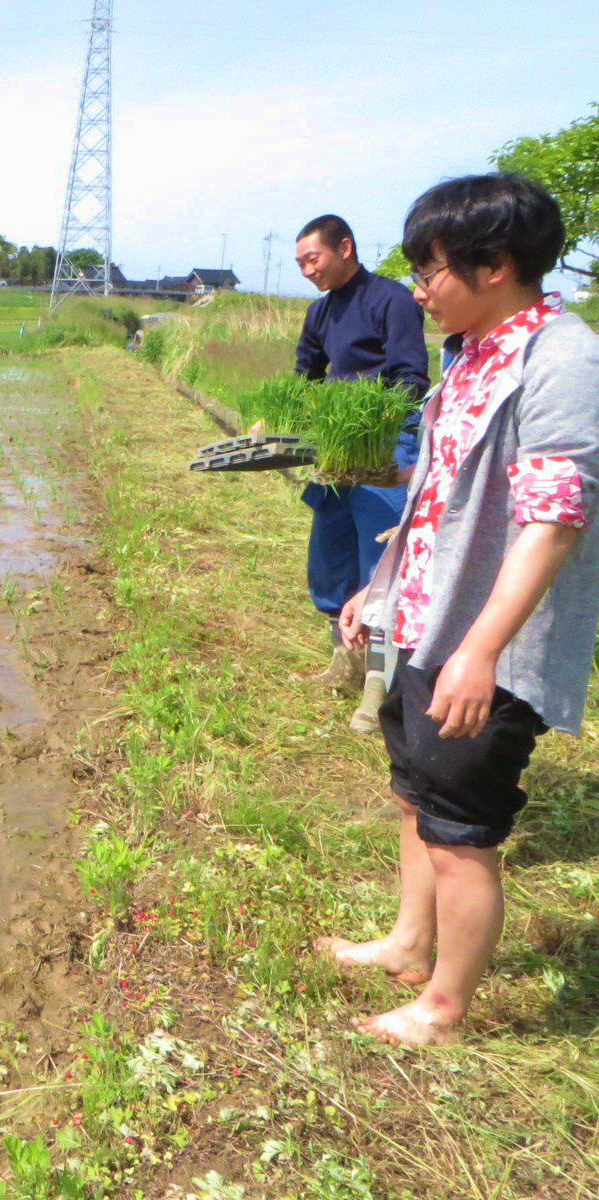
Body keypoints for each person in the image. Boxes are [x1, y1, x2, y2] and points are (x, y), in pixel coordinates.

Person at [323, 174, 599, 1045]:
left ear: (497, 265)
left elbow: (553, 523)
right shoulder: (472, 349)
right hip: (424, 618)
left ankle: (443, 1008)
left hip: (488, 640)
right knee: (415, 795)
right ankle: (410, 943)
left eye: (432, 268)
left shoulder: (561, 359)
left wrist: (481, 653)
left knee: (460, 831)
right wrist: (383, 584)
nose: (418, 287)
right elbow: (439, 494)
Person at [293, 214, 430, 732]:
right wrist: (287, 420)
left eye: (314, 258)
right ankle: (343, 664)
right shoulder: (320, 311)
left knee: (379, 558)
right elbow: (305, 376)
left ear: (344, 247)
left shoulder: (390, 299)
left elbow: (410, 377)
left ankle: (379, 687)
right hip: (334, 445)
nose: (308, 270)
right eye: (301, 262)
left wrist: (367, 429)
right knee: (329, 553)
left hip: (383, 439)